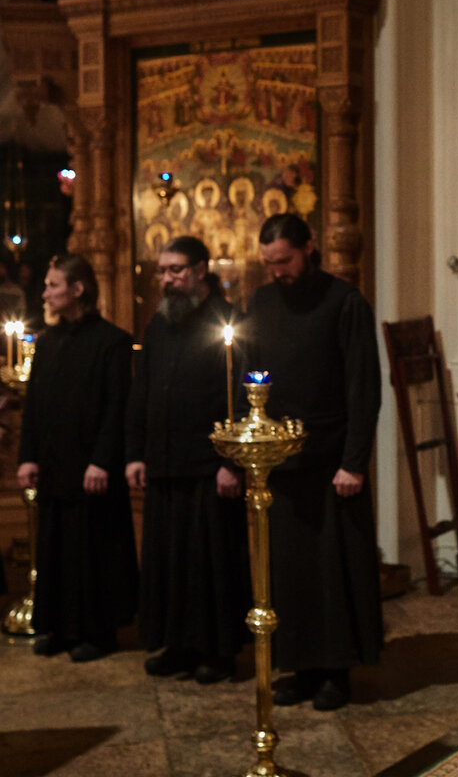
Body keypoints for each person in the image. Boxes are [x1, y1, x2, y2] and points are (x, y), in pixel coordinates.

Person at [242, 213, 382, 711]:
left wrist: (354, 462)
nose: (277, 270)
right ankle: (299, 667)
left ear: (308, 247)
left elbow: (363, 388)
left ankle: (334, 673)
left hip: (331, 463)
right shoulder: (260, 302)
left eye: (284, 260)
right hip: (279, 460)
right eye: (269, 263)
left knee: (331, 572)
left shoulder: (344, 302)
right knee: (290, 573)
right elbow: (249, 374)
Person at [126, 236, 251, 683]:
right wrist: (135, 453)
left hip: (208, 465)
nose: (167, 279)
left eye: (175, 270)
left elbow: (238, 397)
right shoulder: (158, 326)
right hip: (162, 462)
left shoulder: (228, 320)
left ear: (200, 270)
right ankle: (177, 644)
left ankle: (215, 652)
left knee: (209, 564)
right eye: (162, 271)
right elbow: (142, 392)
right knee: (168, 561)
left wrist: (231, 462)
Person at [17, 253, 137, 662]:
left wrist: (102, 461)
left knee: (93, 550)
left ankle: (98, 631)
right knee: (57, 549)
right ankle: (60, 628)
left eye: (53, 285)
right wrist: (27, 457)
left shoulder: (112, 342)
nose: (46, 293)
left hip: (92, 468)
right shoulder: (48, 343)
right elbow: (34, 405)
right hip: (54, 465)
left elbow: (117, 406)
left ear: (78, 290)